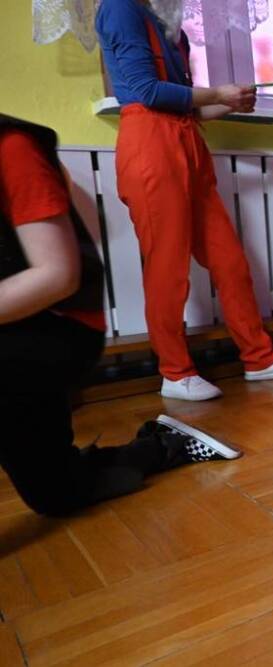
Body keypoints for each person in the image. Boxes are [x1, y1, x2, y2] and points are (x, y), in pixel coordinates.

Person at [0, 114, 241, 517]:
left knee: (57, 492)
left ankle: (163, 444)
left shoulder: (11, 147)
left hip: (50, 328)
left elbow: (57, 274)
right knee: (56, 494)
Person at [95, 0, 273, 401]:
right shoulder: (120, 7)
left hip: (186, 142)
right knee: (167, 268)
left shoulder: (166, 22)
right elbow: (145, 92)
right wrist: (217, 92)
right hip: (149, 146)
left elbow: (185, 109)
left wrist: (227, 104)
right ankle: (175, 373)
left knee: (230, 261)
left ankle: (259, 359)